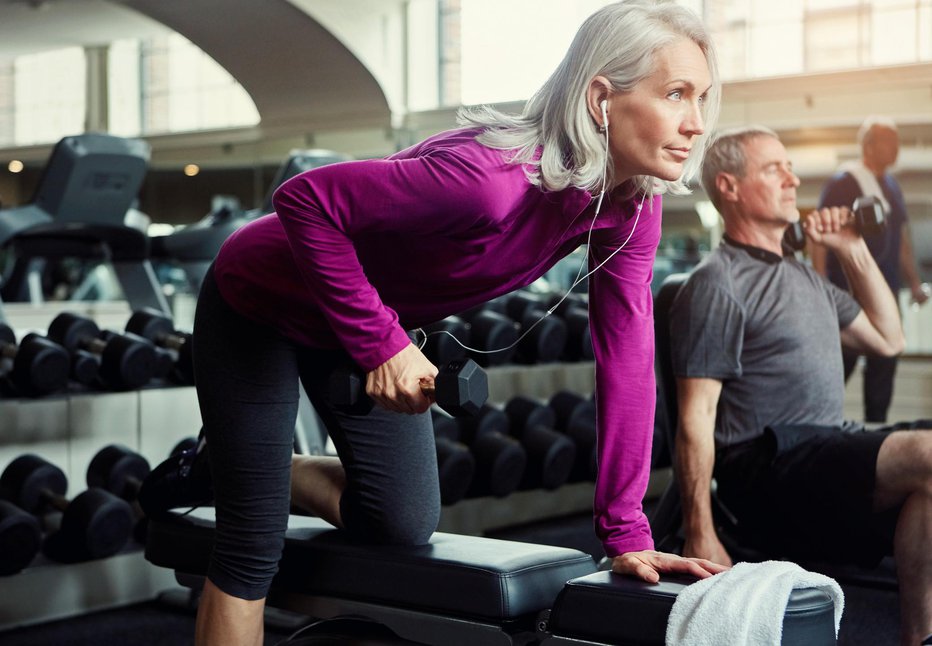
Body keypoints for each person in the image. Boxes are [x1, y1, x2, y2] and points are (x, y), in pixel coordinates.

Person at [140, 2, 728, 644]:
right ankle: (244, 475)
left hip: (358, 320)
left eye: (701, 98)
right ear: (600, 99)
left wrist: (627, 531)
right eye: (675, 95)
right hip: (260, 302)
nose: (696, 123)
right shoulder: (489, 180)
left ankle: (248, 465)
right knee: (251, 540)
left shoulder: (628, 210)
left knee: (400, 521)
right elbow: (303, 200)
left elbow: (628, 358)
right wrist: (381, 344)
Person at [669, 125, 932, 646]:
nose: (793, 179)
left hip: (827, 451)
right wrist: (701, 530)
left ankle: (919, 639)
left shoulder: (807, 278)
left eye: (790, 167)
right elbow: (695, 417)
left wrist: (850, 247)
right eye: (774, 169)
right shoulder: (718, 284)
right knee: (926, 451)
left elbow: (888, 338)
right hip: (768, 467)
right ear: (729, 187)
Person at [811, 116, 930, 422]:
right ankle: (817, 426)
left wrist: (914, 282)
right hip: (848, 292)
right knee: (839, 366)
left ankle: (876, 435)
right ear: (868, 145)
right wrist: (822, 282)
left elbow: (901, 239)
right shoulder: (844, 181)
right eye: (888, 140)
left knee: (885, 361)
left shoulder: (891, 185)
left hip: (886, 290)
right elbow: (820, 233)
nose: (896, 147)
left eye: (897, 140)